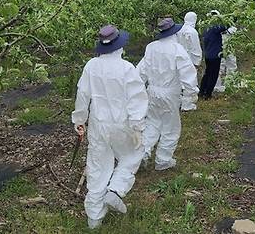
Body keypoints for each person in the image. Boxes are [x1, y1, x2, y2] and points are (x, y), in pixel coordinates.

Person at [72, 24, 149, 230]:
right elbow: (137, 99)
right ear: (119, 46)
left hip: (98, 125)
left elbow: (82, 94)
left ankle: (94, 218)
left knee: (98, 166)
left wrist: (79, 120)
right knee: (133, 154)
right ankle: (115, 191)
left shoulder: (91, 66)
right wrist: (137, 126)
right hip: (121, 124)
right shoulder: (127, 69)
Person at [137, 17, 198, 171]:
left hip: (152, 91)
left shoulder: (151, 47)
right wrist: (191, 94)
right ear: (174, 33)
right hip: (170, 94)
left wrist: (136, 89)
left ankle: (143, 152)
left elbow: (141, 70)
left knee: (152, 123)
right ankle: (163, 160)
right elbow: (187, 73)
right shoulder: (177, 49)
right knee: (170, 128)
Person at [176, 11, 202, 111]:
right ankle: (188, 105)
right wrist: (197, 61)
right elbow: (196, 47)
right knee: (190, 81)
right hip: (190, 59)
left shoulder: (179, 30)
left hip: (179, 59)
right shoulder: (192, 31)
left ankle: (179, 102)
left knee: (180, 80)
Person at [199, 10, 228, 99]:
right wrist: (235, 16)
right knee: (213, 75)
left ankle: (202, 91)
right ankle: (208, 94)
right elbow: (226, 26)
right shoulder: (215, 28)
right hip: (215, 56)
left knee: (207, 73)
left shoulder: (206, 28)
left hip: (208, 55)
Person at [214, 26, 238, 93]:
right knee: (220, 64)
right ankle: (217, 85)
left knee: (231, 63)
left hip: (228, 42)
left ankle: (230, 84)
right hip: (220, 41)